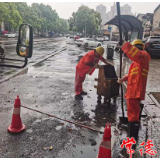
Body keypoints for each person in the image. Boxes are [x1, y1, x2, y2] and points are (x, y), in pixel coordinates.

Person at [117, 39, 151, 151]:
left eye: (134, 48)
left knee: (133, 117)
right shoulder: (135, 62)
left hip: (135, 92)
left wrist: (124, 45)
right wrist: (123, 79)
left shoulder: (144, 56)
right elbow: (131, 74)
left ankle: (132, 141)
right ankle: (131, 137)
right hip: (132, 92)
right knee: (132, 115)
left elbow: (136, 54)